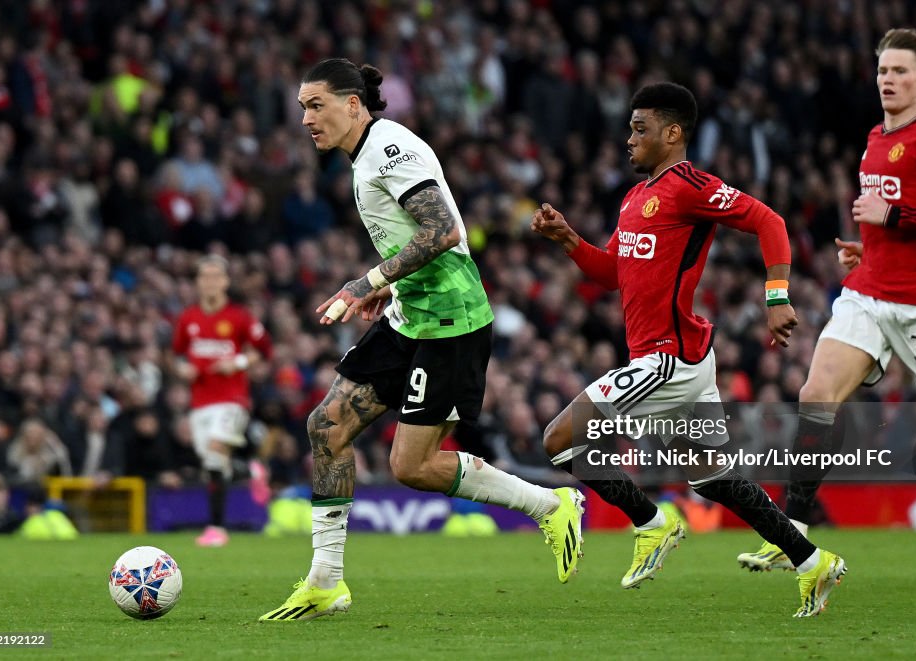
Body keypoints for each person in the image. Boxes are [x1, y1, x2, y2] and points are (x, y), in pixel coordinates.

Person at [258, 58, 584, 622]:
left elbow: (444, 231)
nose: (307, 119)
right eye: (302, 108)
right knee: (326, 426)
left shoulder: (389, 150)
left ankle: (551, 503)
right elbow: (422, 240)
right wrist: (389, 287)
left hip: (452, 322)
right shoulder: (363, 157)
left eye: (316, 105)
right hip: (411, 313)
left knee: (411, 466)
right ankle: (325, 582)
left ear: (353, 104)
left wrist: (367, 280)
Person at [531, 82, 846, 617]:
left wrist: (776, 296)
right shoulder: (635, 197)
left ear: (672, 133)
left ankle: (653, 523)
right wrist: (567, 240)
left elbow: (769, 221)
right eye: (630, 128)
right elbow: (614, 273)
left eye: (640, 128)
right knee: (714, 478)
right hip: (682, 361)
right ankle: (813, 562)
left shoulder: (688, 186)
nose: (628, 139)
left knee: (560, 437)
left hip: (666, 360)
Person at [737, 28, 916, 572]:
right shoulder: (874, 137)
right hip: (867, 294)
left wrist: (893, 219)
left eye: (899, 71)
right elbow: (885, 221)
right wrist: (867, 248)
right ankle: (792, 530)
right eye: (882, 71)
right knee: (816, 393)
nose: (888, 80)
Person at [172, 254, 273, 547]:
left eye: (216, 276)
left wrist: (239, 362)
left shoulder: (239, 316)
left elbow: (264, 348)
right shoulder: (188, 318)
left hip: (232, 398)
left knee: (216, 450)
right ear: (197, 282)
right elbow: (175, 353)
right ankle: (250, 469)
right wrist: (181, 368)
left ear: (226, 282)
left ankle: (215, 528)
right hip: (200, 401)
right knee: (215, 465)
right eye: (204, 276)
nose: (210, 282)